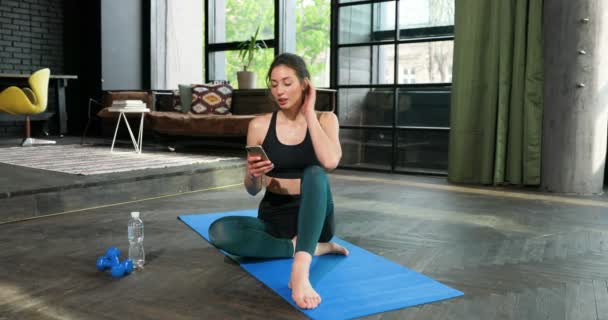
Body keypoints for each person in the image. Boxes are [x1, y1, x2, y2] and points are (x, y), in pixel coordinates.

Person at [208, 53, 349, 310]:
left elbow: (329, 162)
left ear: (305, 84)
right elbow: (253, 191)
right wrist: (252, 174)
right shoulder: (259, 126)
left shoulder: (326, 119)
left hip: (316, 218)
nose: (279, 91)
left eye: (287, 83)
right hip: (274, 216)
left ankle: (301, 268)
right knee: (219, 231)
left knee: (315, 173)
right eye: (274, 85)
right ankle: (310, 248)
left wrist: (309, 113)